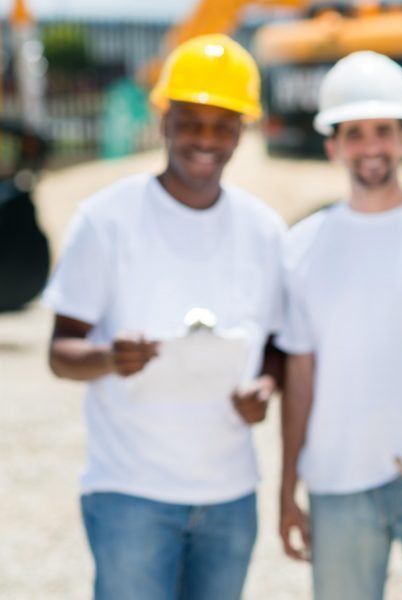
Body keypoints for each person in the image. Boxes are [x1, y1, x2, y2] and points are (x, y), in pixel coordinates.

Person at [43, 35, 284, 600]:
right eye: (191, 122)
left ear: (241, 131)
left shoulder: (264, 231)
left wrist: (265, 386)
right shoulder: (106, 220)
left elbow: (276, 343)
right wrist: (109, 357)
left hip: (229, 495)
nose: (206, 139)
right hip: (131, 493)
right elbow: (60, 353)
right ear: (164, 121)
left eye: (222, 125)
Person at [275, 50, 402, 600]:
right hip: (338, 476)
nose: (371, 147)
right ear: (333, 146)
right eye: (355, 133)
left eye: (383, 130)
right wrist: (287, 487)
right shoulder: (302, 247)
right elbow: (300, 377)